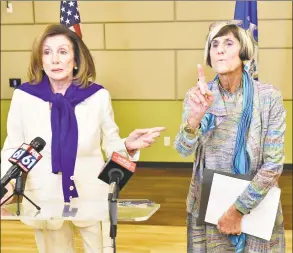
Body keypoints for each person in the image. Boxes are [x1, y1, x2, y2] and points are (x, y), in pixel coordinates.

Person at [0, 24, 165, 253]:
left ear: (76, 59)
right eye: (47, 52)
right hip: (43, 196)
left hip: (91, 194)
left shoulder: (97, 96)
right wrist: (6, 183)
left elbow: (110, 144)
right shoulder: (24, 97)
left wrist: (127, 145)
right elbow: (13, 146)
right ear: (40, 60)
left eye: (63, 52)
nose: (55, 60)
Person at [174, 21, 286, 252]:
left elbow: (273, 164)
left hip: (256, 206)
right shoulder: (198, 95)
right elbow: (183, 149)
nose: (219, 50)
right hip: (208, 206)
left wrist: (238, 210)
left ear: (243, 50)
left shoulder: (268, 96)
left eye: (228, 43)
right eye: (214, 44)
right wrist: (194, 119)